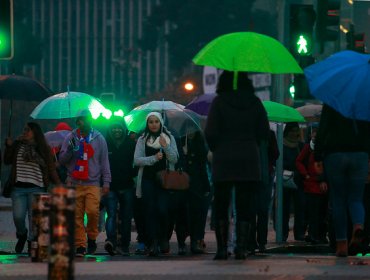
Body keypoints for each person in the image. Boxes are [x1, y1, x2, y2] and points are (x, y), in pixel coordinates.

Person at [205, 70, 270, 260]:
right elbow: (264, 132)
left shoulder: (219, 102)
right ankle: (241, 248)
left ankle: (222, 248)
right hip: (248, 158)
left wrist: (216, 147)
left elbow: (210, 132)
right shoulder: (255, 103)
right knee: (245, 205)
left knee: (221, 204)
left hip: (224, 157)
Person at [314, 104, 370, 257]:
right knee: (356, 198)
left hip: (335, 153)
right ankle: (358, 227)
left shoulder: (332, 100)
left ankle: (341, 245)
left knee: (338, 200)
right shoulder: (364, 99)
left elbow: (323, 127)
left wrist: (317, 155)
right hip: (360, 154)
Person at [59, 109, 111, 257]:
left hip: (93, 182)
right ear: (77, 122)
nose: (85, 122)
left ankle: (92, 237)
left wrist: (106, 181)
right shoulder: (71, 137)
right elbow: (62, 160)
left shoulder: (98, 138)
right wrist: (70, 149)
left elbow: (104, 161)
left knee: (93, 212)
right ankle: (80, 245)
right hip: (75, 182)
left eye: (88, 119)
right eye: (82, 120)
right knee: (77, 215)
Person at [4, 122, 61, 254]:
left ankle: (31, 243)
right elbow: (7, 161)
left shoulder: (43, 148)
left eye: (28, 130)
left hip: (37, 188)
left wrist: (58, 183)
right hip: (18, 189)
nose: (25, 132)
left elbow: (51, 168)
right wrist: (8, 146)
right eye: (24, 129)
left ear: (35, 132)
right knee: (18, 217)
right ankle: (22, 234)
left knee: (34, 220)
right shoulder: (18, 145)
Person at [133, 111, 178, 256]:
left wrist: (165, 147)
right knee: (150, 211)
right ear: (147, 124)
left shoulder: (168, 137)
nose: (153, 124)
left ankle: (163, 238)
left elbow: (174, 159)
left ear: (161, 123)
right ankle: (152, 242)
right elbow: (137, 160)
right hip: (147, 180)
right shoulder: (142, 139)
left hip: (164, 181)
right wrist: (153, 158)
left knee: (163, 210)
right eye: (151, 122)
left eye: (156, 121)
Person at [101, 120, 137, 256]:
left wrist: (133, 175)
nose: (117, 130)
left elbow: (137, 161)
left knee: (126, 217)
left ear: (124, 129)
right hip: (110, 185)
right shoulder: (105, 143)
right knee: (111, 215)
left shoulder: (130, 143)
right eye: (114, 128)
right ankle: (111, 241)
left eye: (119, 128)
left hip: (127, 185)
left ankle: (125, 245)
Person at [296, 125, 328, 244]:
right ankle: (315, 234)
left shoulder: (314, 147)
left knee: (322, 211)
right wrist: (306, 174)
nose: (314, 135)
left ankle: (319, 234)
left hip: (320, 184)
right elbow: (299, 161)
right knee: (314, 211)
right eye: (313, 133)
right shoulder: (308, 148)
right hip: (312, 185)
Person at [280, 122, 305, 242]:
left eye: (297, 130)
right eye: (293, 130)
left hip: (299, 181)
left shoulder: (301, 146)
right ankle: (282, 232)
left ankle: (299, 233)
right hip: (284, 181)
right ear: (287, 131)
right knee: (283, 208)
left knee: (300, 208)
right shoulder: (281, 144)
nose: (295, 133)